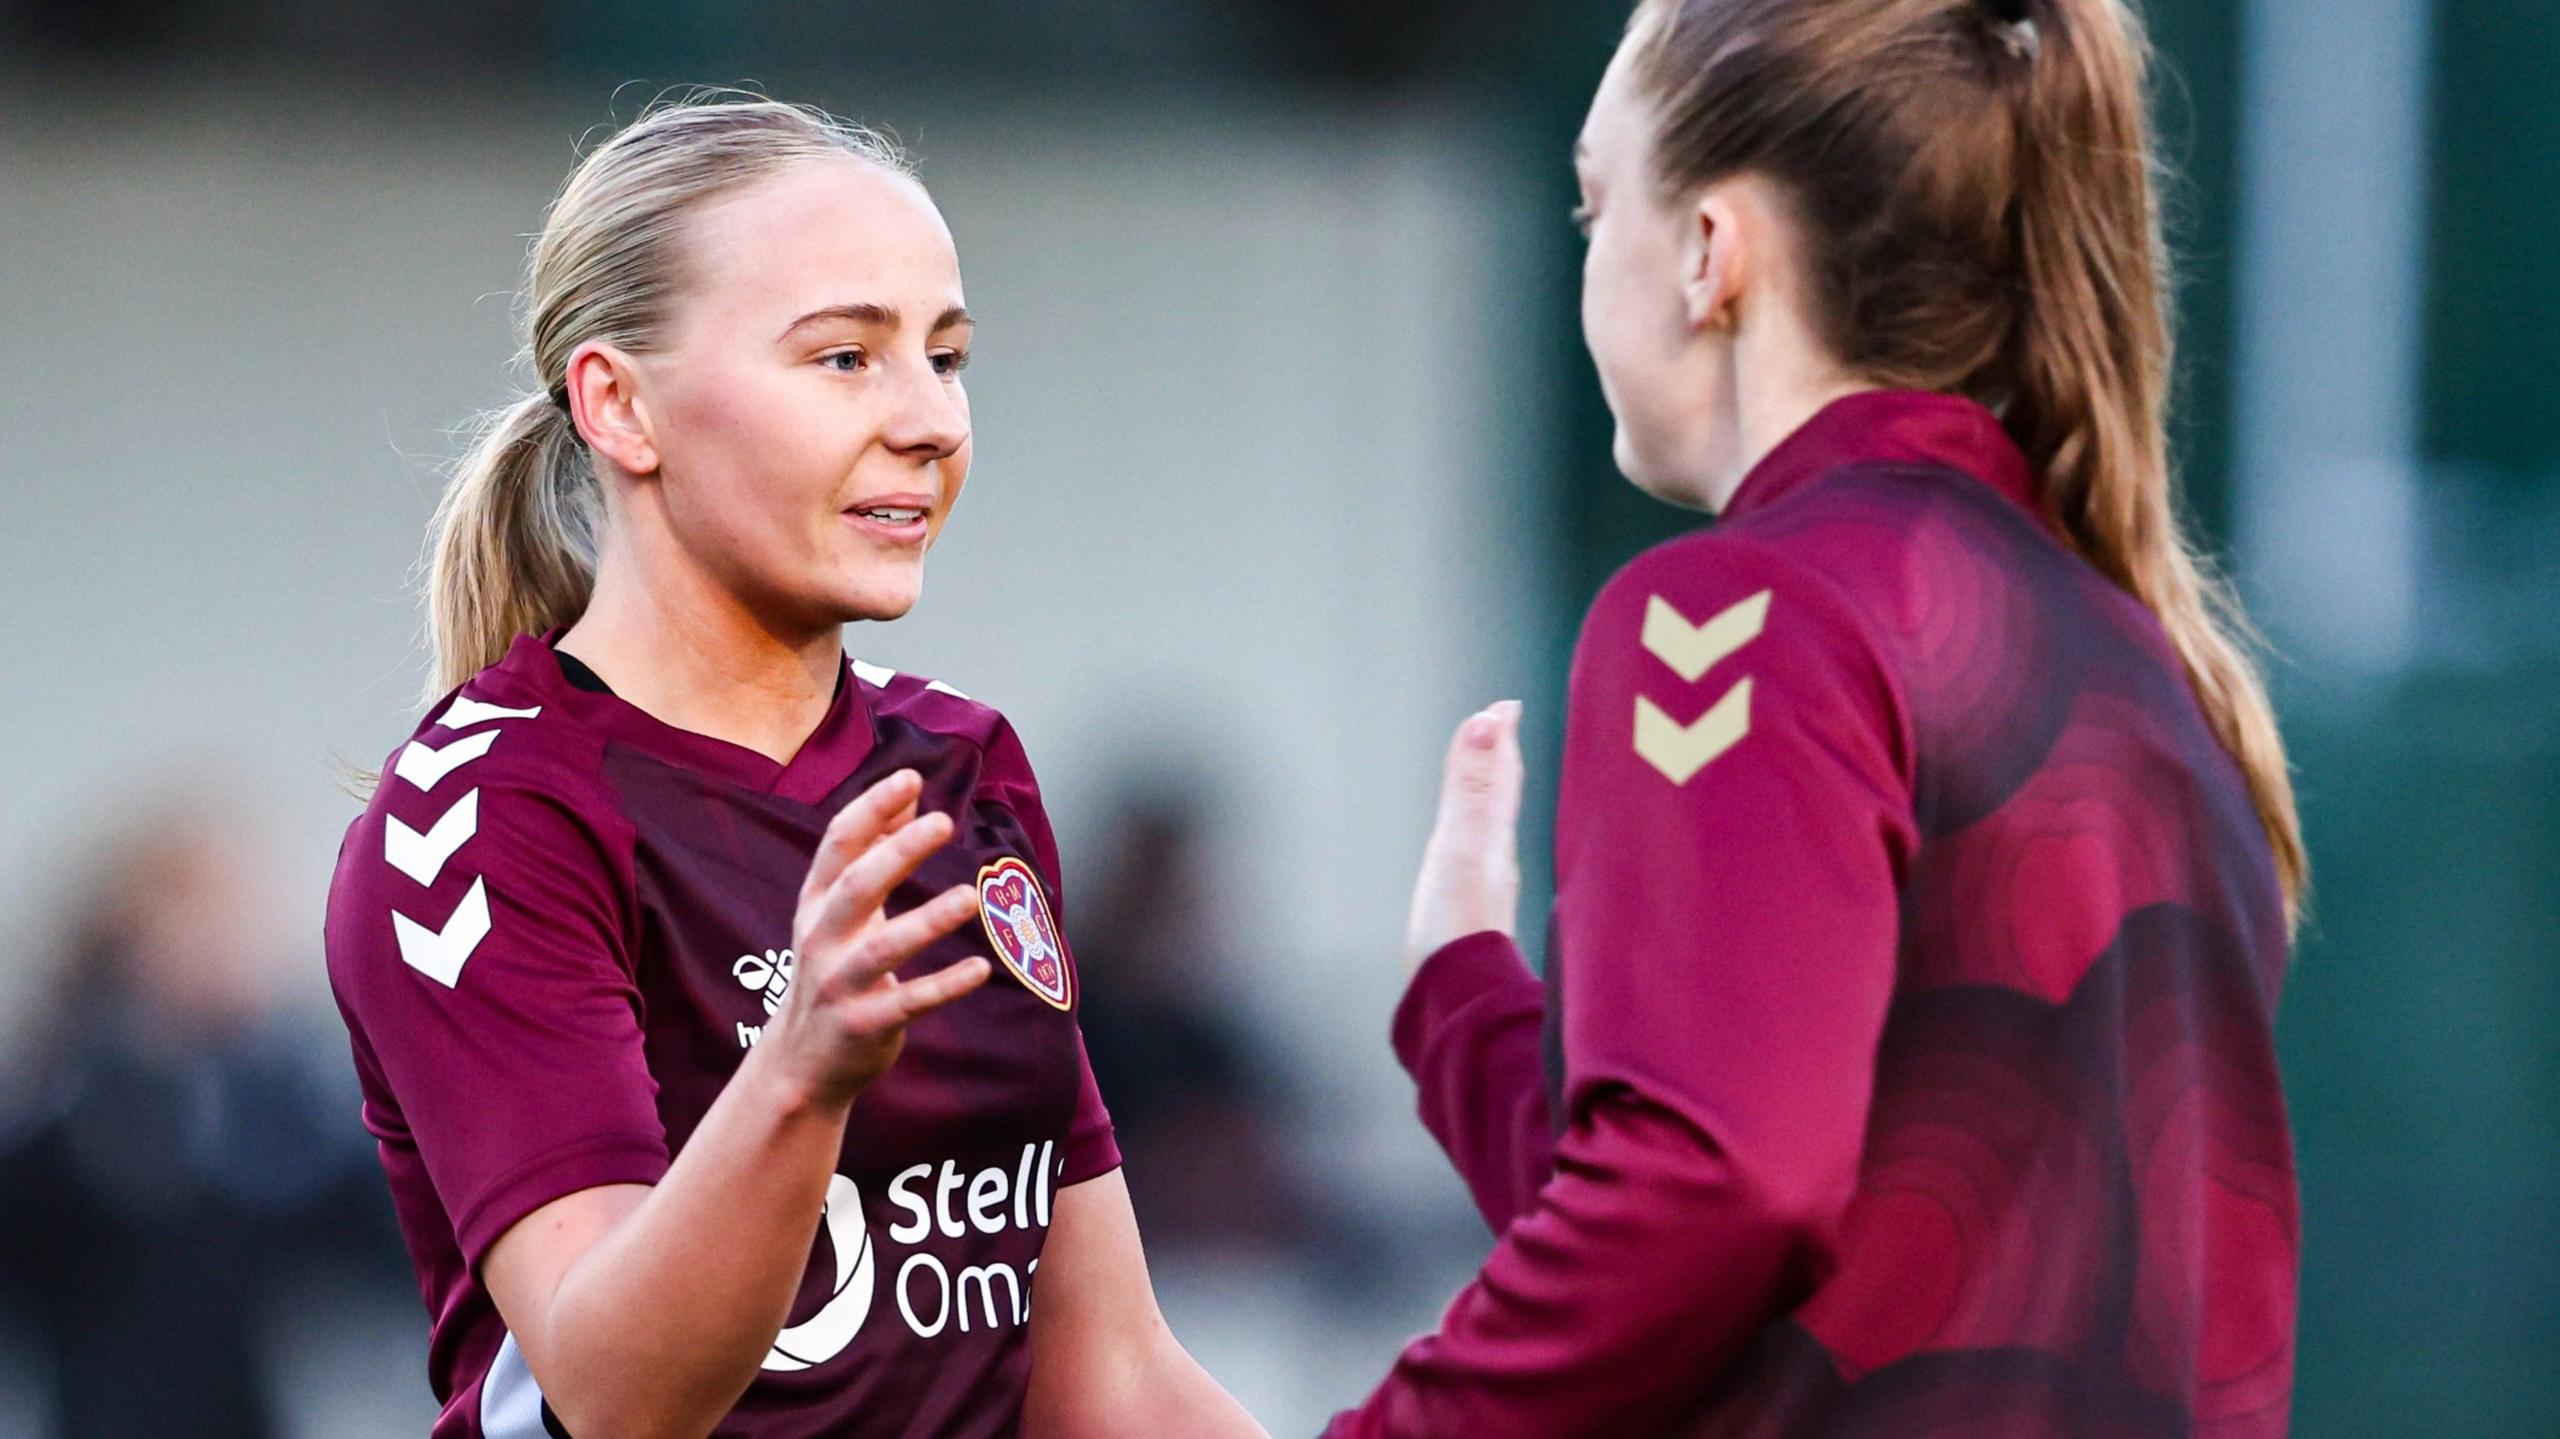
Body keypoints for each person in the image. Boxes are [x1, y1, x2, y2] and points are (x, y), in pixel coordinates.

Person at [1338, 0, 2302, 1434]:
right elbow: (1756, 1234)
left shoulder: (1743, 612)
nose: (1586, 257)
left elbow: (1717, 1193)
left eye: (1595, 205)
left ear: (1710, 256)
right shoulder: (2155, 672)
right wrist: (1468, 1001)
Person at [322, 97, 1263, 1439]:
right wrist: (802, 1074)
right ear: (620, 406)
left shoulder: (960, 766)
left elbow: (1103, 1370)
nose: (930, 421)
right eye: (842, 358)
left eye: (946, 357)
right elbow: (617, 1396)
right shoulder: (484, 812)